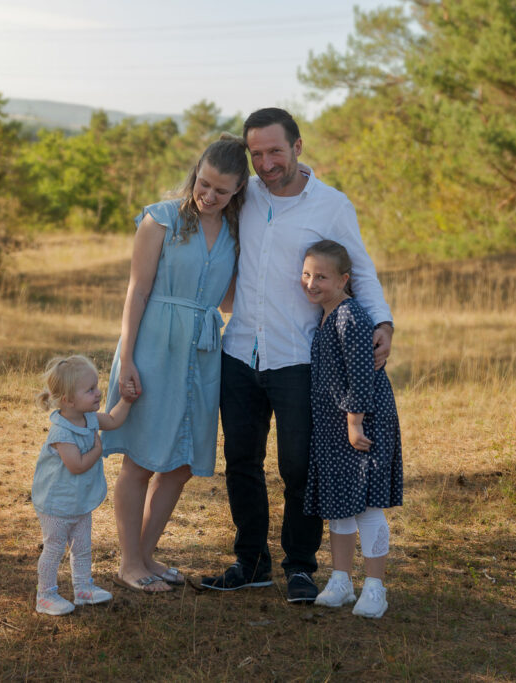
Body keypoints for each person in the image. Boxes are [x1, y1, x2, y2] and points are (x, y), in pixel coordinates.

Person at [201, 108, 394, 603]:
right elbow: (203, 201)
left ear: (298, 147)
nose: (265, 163)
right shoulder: (244, 196)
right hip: (240, 351)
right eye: (257, 153)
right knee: (241, 461)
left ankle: (301, 567)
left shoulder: (331, 205)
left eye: (275, 152)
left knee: (299, 466)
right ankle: (251, 562)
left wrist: (384, 322)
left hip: (300, 359)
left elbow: (361, 270)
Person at [103, 135, 250, 593]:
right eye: (204, 184)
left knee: (181, 462)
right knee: (142, 459)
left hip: (203, 353)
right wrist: (128, 358)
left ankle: (146, 554)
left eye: (221, 191)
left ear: (238, 191)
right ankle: (129, 563)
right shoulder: (160, 219)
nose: (208, 196)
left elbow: (226, 298)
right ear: (195, 174)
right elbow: (137, 291)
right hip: (153, 346)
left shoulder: (233, 232)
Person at [300, 240, 402, 617]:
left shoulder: (350, 316)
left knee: (368, 506)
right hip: (335, 425)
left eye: (322, 276)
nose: (311, 283)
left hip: (362, 421)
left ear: (344, 279)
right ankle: (341, 580)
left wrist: (354, 423)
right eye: (307, 274)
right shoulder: (326, 315)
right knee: (340, 505)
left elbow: (362, 375)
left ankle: (375, 587)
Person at [32, 355, 133, 616]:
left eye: (97, 386)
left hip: (78, 501)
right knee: (54, 548)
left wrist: (127, 401)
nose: (98, 393)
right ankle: (45, 595)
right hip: (56, 504)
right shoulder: (62, 432)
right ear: (68, 400)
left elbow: (112, 420)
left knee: (82, 546)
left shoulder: (89, 418)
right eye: (90, 390)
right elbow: (76, 465)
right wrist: (97, 450)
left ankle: (83, 588)